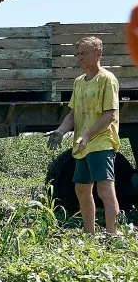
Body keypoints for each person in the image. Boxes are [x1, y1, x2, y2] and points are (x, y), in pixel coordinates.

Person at [46, 37, 120, 236]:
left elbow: (109, 115)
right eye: (77, 54)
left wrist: (87, 135)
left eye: (84, 53)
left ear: (98, 54)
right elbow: (72, 114)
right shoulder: (79, 82)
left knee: (105, 190)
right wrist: (61, 131)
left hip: (101, 142)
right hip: (82, 145)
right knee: (82, 189)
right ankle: (90, 234)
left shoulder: (107, 79)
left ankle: (113, 235)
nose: (79, 58)